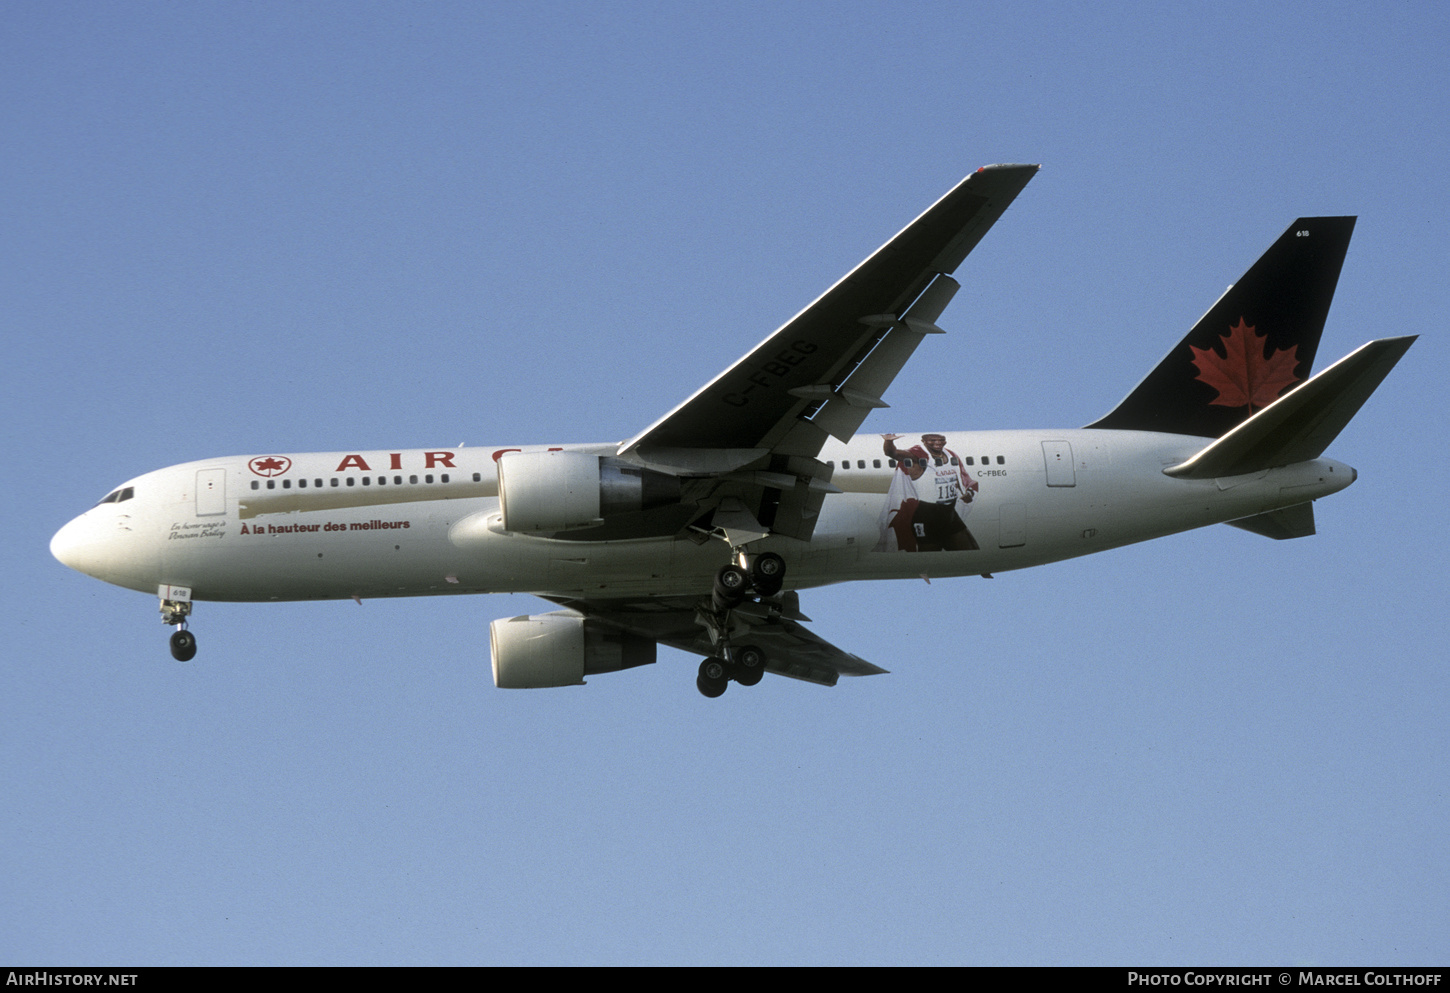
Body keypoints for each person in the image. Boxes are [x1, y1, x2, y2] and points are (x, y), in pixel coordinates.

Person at [877, 433, 980, 552]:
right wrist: (889, 442)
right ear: (924, 441)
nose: (937, 443)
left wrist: (970, 493)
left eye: (941, 440)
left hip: (949, 514)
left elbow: (966, 480)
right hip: (927, 516)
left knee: (971, 550)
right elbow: (892, 453)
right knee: (929, 554)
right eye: (932, 441)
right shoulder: (918, 458)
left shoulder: (950, 456)